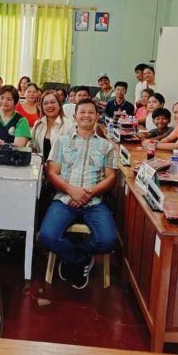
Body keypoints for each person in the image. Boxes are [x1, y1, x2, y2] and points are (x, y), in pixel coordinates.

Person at [39, 99, 118, 289]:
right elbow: (51, 173)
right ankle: (80, 259)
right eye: (82, 112)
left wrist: (87, 195)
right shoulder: (62, 141)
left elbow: (111, 177)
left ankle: (71, 257)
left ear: (97, 116)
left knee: (108, 241)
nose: (86, 115)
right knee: (47, 236)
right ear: (74, 117)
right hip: (64, 199)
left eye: (91, 112)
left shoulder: (106, 146)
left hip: (95, 201)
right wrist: (71, 190)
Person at [30, 90, 75, 161]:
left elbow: (73, 153)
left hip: (60, 170)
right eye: (45, 103)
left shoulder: (69, 125)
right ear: (42, 106)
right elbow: (31, 145)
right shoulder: (38, 124)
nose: (49, 105)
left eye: (53, 102)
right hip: (40, 168)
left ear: (59, 105)